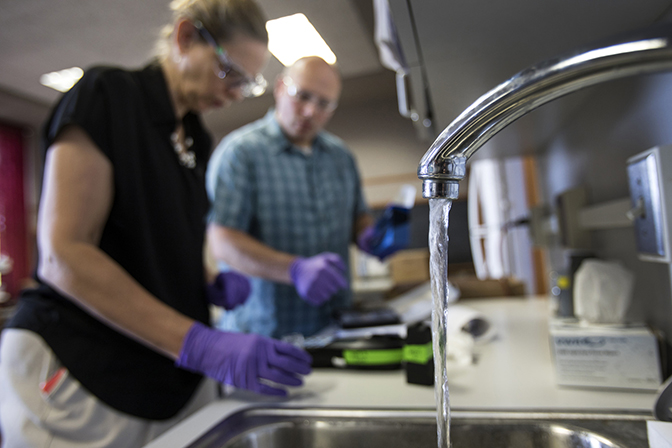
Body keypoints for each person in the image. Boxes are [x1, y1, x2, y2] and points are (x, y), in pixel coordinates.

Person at [0, 1, 312, 447]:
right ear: (186, 37)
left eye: (248, 82)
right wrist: (200, 344)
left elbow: (146, 239)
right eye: (230, 73)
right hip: (80, 367)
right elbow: (62, 254)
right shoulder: (108, 95)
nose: (237, 93)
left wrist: (205, 281)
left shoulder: (195, 139)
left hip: (160, 371)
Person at [206, 56, 409, 340]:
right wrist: (294, 269)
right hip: (264, 335)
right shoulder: (240, 154)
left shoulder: (341, 156)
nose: (310, 111)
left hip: (335, 327)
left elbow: (358, 217)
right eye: (302, 96)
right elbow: (223, 242)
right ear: (279, 88)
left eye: (324, 104)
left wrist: (371, 236)